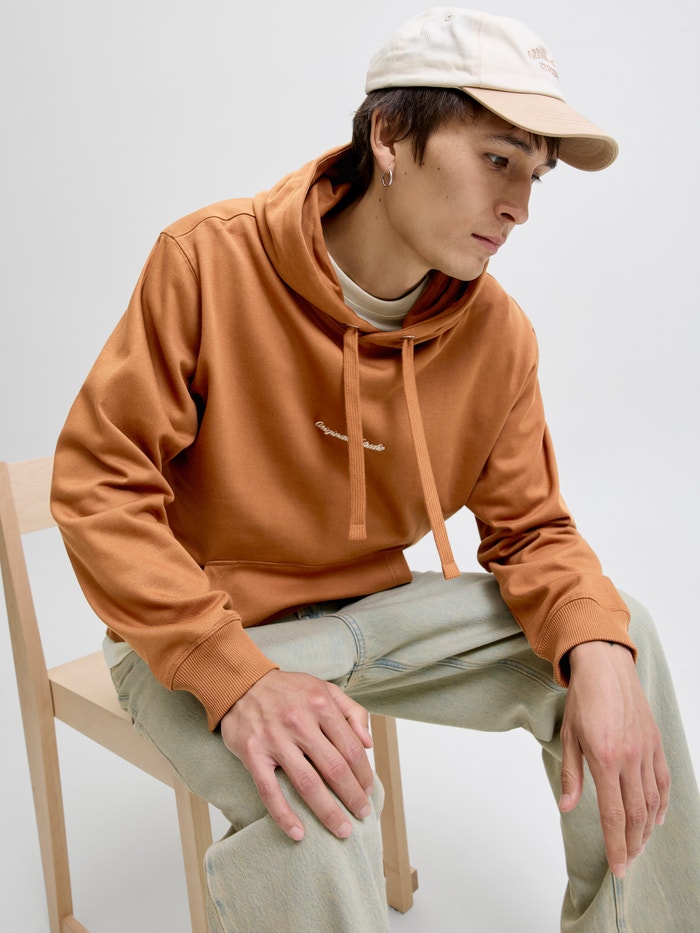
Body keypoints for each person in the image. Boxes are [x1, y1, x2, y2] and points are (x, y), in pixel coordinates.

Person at [50, 8, 699, 932]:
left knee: (616, 638)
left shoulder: (496, 335)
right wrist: (235, 677)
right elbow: (99, 487)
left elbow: (531, 533)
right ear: (390, 135)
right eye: (498, 159)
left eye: (535, 175)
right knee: (308, 797)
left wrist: (596, 647)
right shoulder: (206, 263)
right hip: (202, 627)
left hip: (371, 616)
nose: (520, 206)